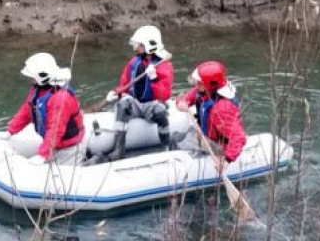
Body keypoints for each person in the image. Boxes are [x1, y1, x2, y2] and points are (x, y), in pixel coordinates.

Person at [0, 53, 84, 164]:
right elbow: (26, 111)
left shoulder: (60, 98)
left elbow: (55, 130)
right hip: (55, 144)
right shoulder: (38, 89)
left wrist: (43, 155)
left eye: (33, 77)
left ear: (42, 76)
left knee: (59, 179)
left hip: (69, 147)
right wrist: (9, 132)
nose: (31, 79)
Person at [104, 25, 174, 159]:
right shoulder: (134, 62)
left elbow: (164, 95)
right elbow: (124, 85)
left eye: (139, 45)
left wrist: (154, 78)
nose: (136, 48)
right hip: (135, 102)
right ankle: (119, 149)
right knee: (123, 104)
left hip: (152, 104)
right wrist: (115, 93)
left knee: (160, 111)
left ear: (149, 46)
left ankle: (166, 146)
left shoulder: (163, 65)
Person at [176, 61, 247, 168]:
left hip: (219, 146)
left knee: (180, 143)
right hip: (207, 136)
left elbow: (238, 137)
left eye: (199, 83)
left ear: (210, 85)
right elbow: (184, 99)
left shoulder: (222, 108)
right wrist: (181, 104)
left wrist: (226, 161)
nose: (196, 85)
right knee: (176, 138)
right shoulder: (202, 90)